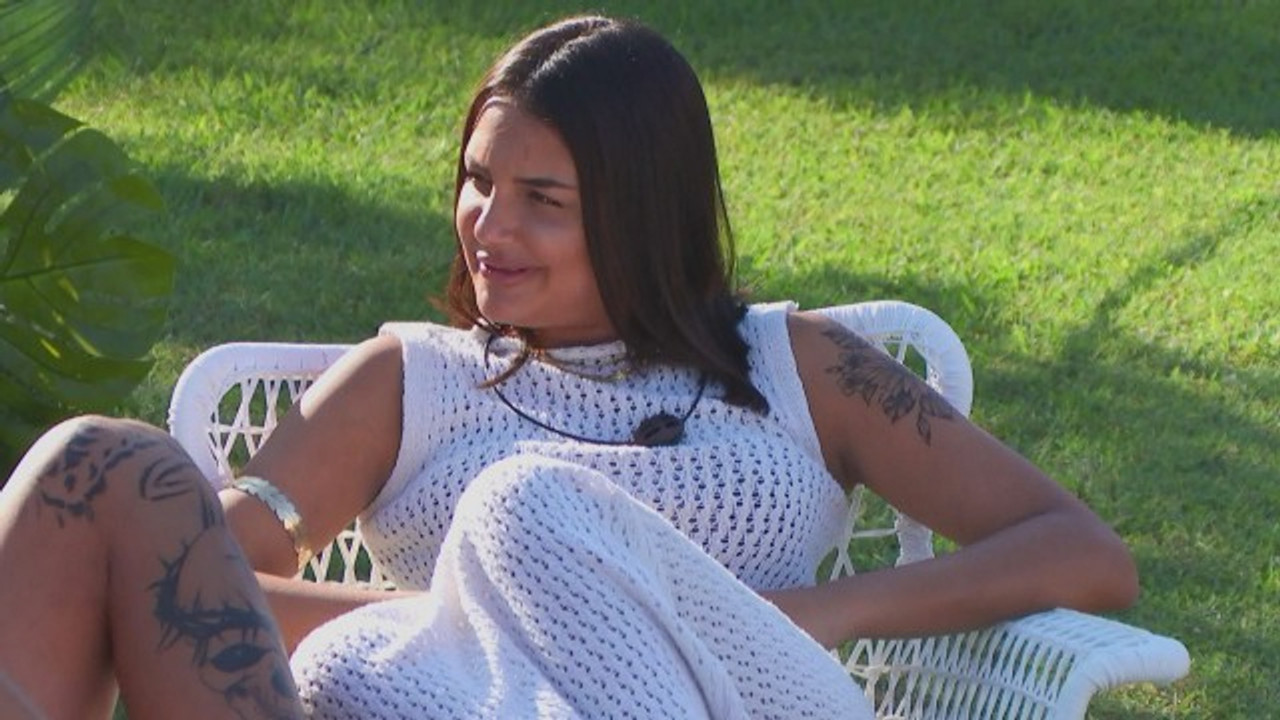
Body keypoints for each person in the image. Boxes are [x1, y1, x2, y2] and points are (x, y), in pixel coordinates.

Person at [0, 14, 1139, 720]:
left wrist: (815, 613)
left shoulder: (801, 368)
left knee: (525, 504)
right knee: (98, 466)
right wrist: (476, 612)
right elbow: (203, 580)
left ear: (642, 212)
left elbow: (1081, 552)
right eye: (476, 181)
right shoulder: (408, 379)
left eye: (540, 200)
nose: (487, 227)